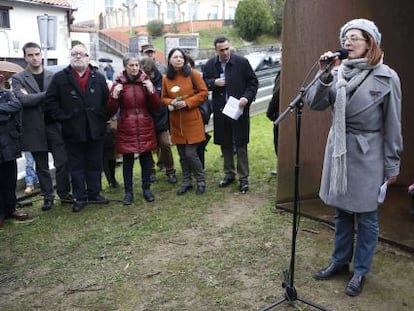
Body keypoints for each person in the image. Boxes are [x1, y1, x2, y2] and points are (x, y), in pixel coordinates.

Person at [305, 19, 402, 296]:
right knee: (342, 212)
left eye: (355, 37)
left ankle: (360, 270)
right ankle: (339, 261)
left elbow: (393, 124)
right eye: (345, 37)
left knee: (367, 216)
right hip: (339, 150)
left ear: (370, 43)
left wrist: (392, 163)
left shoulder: (387, 76)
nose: (348, 42)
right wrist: (325, 74)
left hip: (367, 150)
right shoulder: (337, 72)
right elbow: (314, 102)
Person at [45, 44, 110, 213]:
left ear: (88, 58)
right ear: (70, 57)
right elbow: (51, 103)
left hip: (94, 128)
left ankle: (94, 193)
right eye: (74, 54)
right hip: (72, 129)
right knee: (76, 165)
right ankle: (79, 197)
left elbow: (107, 101)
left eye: (82, 54)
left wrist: (101, 117)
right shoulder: (60, 78)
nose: (78, 56)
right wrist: (63, 118)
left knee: (94, 163)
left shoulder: (99, 77)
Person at [12, 42, 72, 211]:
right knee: (42, 166)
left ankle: (64, 193)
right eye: (30, 55)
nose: (35, 58)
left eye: (37, 54)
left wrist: (34, 97)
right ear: (25, 57)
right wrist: (47, 95)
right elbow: (23, 101)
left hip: (53, 126)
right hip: (33, 129)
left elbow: (59, 100)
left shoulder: (53, 76)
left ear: (41, 55)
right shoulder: (19, 78)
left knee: (62, 162)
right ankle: (48, 197)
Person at [202, 36, 259, 193]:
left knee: (241, 144)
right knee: (225, 143)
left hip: (238, 110)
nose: (225, 52)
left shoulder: (241, 62)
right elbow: (203, 83)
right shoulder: (210, 65)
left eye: (227, 48)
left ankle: (243, 177)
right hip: (221, 111)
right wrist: (214, 83)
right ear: (216, 50)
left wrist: (246, 97)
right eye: (222, 50)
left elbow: (253, 82)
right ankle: (229, 174)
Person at [107, 53, 161, 204]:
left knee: (146, 159)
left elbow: (157, 106)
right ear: (125, 67)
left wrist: (152, 92)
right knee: (128, 160)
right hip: (126, 125)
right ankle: (128, 192)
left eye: (137, 65)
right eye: (131, 65)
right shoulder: (118, 83)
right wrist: (114, 96)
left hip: (144, 123)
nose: (135, 68)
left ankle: (146, 189)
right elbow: (110, 110)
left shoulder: (146, 81)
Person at [161, 48, 208, 195]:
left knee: (190, 154)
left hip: (192, 120)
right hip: (176, 122)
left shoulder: (193, 74)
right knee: (182, 155)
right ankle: (187, 181)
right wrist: (172, 102)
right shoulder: (165, 79)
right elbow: (163, 97)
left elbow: (204, 92)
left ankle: (201, 181)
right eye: (175, 57)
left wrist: (187, 103)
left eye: (181, 57)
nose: (179, 59)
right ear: (170, 60)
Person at [139, 56, 177, 184]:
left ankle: (170, 170)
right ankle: (150, 171)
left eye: (149, 72)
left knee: (165, 144)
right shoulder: (139, 82)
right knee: (147, 148)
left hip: (161, 118)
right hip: (145, 120)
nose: (147, 74)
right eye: (144, 72)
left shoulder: (161, 80)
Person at [0, 73, 29, 227]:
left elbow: (16, 106)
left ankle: (11, 208)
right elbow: (7, 115)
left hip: (8, 144)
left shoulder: (7, 94)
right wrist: (5, 114)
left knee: (10, 179)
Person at [266, 70, 281, 175]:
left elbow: (277, 93)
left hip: (280, 114)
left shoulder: (285, 72)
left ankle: (281, 166)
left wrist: (270, 111)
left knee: (279, 142)